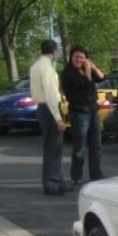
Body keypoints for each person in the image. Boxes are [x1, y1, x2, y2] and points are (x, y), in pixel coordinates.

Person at [29, 39, 70, 196]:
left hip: (42, 107)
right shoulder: (47, 68)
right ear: (54, 51)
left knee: (53, 147)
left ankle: (57, 179)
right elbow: (51, 94)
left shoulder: (35, 66)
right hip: (49, 108)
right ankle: (51, 182)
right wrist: (58, 118)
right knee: (53, 147)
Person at [60, 45, 105, 184]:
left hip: (93, 111)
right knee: (79, 147)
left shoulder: (87, 69)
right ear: (71, 58)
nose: (79, 59)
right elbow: (86, 84)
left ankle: (96, 174)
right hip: (79, 113)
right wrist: (87, 71)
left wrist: (93, 66)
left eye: (82, 57)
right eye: (76, 57)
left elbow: (102, 77)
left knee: (96, 145)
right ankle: (76, 176)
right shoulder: (68, 73)